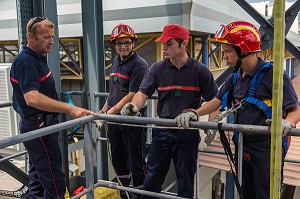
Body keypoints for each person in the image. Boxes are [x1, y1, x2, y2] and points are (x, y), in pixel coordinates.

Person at [176, 21, 300, 198]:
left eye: (227, 52)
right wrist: (195, 112)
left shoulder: (272, 75)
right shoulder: (236, 77)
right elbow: (217, 100)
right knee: (246, 192)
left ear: (244, 51)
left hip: (267, 148)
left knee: (266, 194)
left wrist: (288, 123)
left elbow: (295, 109)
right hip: (243, 145)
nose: (224, 56)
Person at [121, 24, 218, 198]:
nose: (163, 48)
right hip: (162, 132)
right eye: (163, 43)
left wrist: (211, 124)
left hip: (187, 134)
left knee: (185, 183)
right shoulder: (157, 69)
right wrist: (134, 106)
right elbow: (142, 93)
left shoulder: (200, 71)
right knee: (151, 181)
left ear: (183, 44)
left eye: (169, 43)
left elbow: (215, 100)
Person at [10, 16, 96, 199]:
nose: (51, 41)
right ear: (31, 37)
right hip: (38, 126)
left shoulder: (38, 58)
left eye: (52, 36)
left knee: (38, 178)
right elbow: (31, 98)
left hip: (43, 125)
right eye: (46, 37)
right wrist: (70, 108)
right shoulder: (26, 62)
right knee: (54, 180)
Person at [98, 23, 148, 197]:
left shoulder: (139, 65)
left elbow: (131, 94)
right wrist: (103, 111)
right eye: (119, 44)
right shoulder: (115, 62)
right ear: (114, 45)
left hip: (131, 119)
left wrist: (109, 114)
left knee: (136, 158)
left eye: (127, 42)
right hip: (114, 119)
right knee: (117, 156)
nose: (123, 46)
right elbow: (113, 92)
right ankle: (124, 190)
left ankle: (140, 193)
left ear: (133, 43)